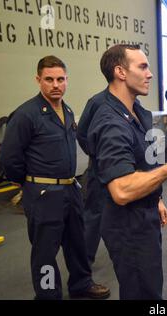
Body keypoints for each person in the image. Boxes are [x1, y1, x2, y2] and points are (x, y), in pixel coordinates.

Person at [86, 44, 167, 300]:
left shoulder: (136, 112)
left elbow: (139, 163)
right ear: (120, 72)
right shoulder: (110, 122)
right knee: (142, 291)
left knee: (149, 286)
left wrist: (155, 197)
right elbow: (122, 190)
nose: (149, 74)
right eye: (143, 66)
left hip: (143, 212)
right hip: (128, 225)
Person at [0, 56, 110, 300]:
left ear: (67, 80)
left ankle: (81, 284)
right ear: (38, 80)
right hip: (43, 195)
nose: (55, 85)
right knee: (45, 252)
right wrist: (29, 182)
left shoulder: (67, 111)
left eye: (60, 79)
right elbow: (9, 158)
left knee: (77, 243)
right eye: (49, 79)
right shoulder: (27, 114)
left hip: (71, 189)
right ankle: (49, 295)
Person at [77, 92, 110, 267]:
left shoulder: (134, 103)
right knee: (93, 215)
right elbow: (82, 133)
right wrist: (97, 154)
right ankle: (85, 264)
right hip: (99, 170)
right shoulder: (97, 102)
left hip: (126, 171)